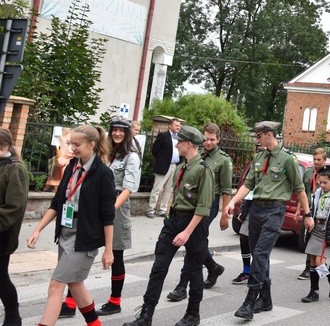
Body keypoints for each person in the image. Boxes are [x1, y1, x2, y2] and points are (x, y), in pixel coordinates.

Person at [123, 125, 213, 326]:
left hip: (194, 225)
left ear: (188, 144)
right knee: (158, 268)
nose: (177, 145)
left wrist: (187, 232)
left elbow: (203, 206)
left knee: (194, 270)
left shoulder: (203, 170)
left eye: (179, 141)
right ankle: (146, 315)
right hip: (174, 221)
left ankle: (192, 315)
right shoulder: (182, 167)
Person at [27, 124, 115, 326]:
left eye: (77, 144)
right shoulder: (72, 166)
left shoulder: (103, 174)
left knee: (56, 284)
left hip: (85, 237)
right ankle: (95, 324)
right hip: (66, 232)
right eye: (70, 143)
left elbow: (108, 215)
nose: (72, 148)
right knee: (75, 284)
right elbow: (57, 203)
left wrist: (109, 250)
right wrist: (38, 229)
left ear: (91, 145)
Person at [225, 121, 311, 320]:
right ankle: (266, 299)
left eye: (259, 136)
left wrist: (307, 215)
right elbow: (248, 185)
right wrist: (233, 202)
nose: (257, 140)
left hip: (275, 210)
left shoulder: (288, 159)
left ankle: (250, 300)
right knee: (258, 255)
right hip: (256, 209)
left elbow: (299, 189)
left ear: (269, 135)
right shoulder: (259, 157)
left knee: (262, 252)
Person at [167, 123, 232, 301]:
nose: (208, 142)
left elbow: (226, 189)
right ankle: (213, 267)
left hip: (208, 206)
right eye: (206, 139)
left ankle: (182, 286)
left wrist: (224, 215)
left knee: (192, 241)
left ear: (218, 139)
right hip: (191, 204)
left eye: (212, 139)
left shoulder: (224, 160)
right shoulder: (196, 154)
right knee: (196, 242)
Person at [95, 116, 141, 316]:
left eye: (122, 130)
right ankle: (71, 302)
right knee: (81, 249)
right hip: (97, 203)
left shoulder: (131, 156)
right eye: (114, 129)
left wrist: (111, 208)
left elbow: (129, 187)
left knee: (116, 254)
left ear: (128, 133)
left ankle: (115, 301)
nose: (117, 133)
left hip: (117, 206)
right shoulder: (105, 153)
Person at [301, 168, 330, 302]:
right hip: (315, 230)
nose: (322, 185)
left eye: (325, 182)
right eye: (320, 182)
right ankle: (314, 292)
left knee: (320, 262)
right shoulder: (318, 193)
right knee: (313, 262)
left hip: (327, 232)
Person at [0, 128, 29, 326]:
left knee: (0, 277)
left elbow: (14, 207)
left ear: (4, 146)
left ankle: (13, 317)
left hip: (3, 233)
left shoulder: (15, 168)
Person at [298, 148, 330, 280]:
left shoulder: (329, 174)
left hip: (322, 213)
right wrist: (297, 210)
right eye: (314, 159)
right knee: (306, 239)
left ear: (324, 160)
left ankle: (318, 271)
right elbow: (303, 192)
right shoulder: (309, 172)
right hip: (308, 210)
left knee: (315, 245)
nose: (316, 162)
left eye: (319, 160)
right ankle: (315, 270)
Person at [146, 118, 182, 219]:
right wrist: (161, 160)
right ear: (170, 126)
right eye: (176, 125)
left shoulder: (179, 138)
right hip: (163, 166)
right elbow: (154, 150)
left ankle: (162, 209)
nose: (178, 127)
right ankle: (150, 209)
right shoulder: (163, 136)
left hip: (174, 166)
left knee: (168, 190)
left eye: (179, 126)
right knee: (157, 189)